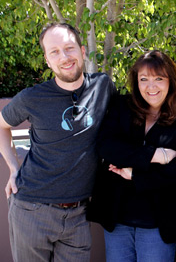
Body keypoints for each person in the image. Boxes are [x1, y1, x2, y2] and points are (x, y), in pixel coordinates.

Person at [0, 23, 116, 261]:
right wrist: (13, 168)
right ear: (47, 60)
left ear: (82, 51)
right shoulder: (31, 97)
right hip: (32, 210)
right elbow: (1, 125)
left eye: (69, 48)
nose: (64, 57)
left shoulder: (103, 86)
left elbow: (121, 124)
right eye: (54, 52)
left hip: (79, 214)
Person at [86, 50, 176, 262]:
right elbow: (106, 146)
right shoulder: (121, 107)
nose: (151, 86)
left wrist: (135, 176)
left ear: (171, 81)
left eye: (159, 79)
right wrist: (156, 155)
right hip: (117, 219)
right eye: (144, 79)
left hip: (158, 223)